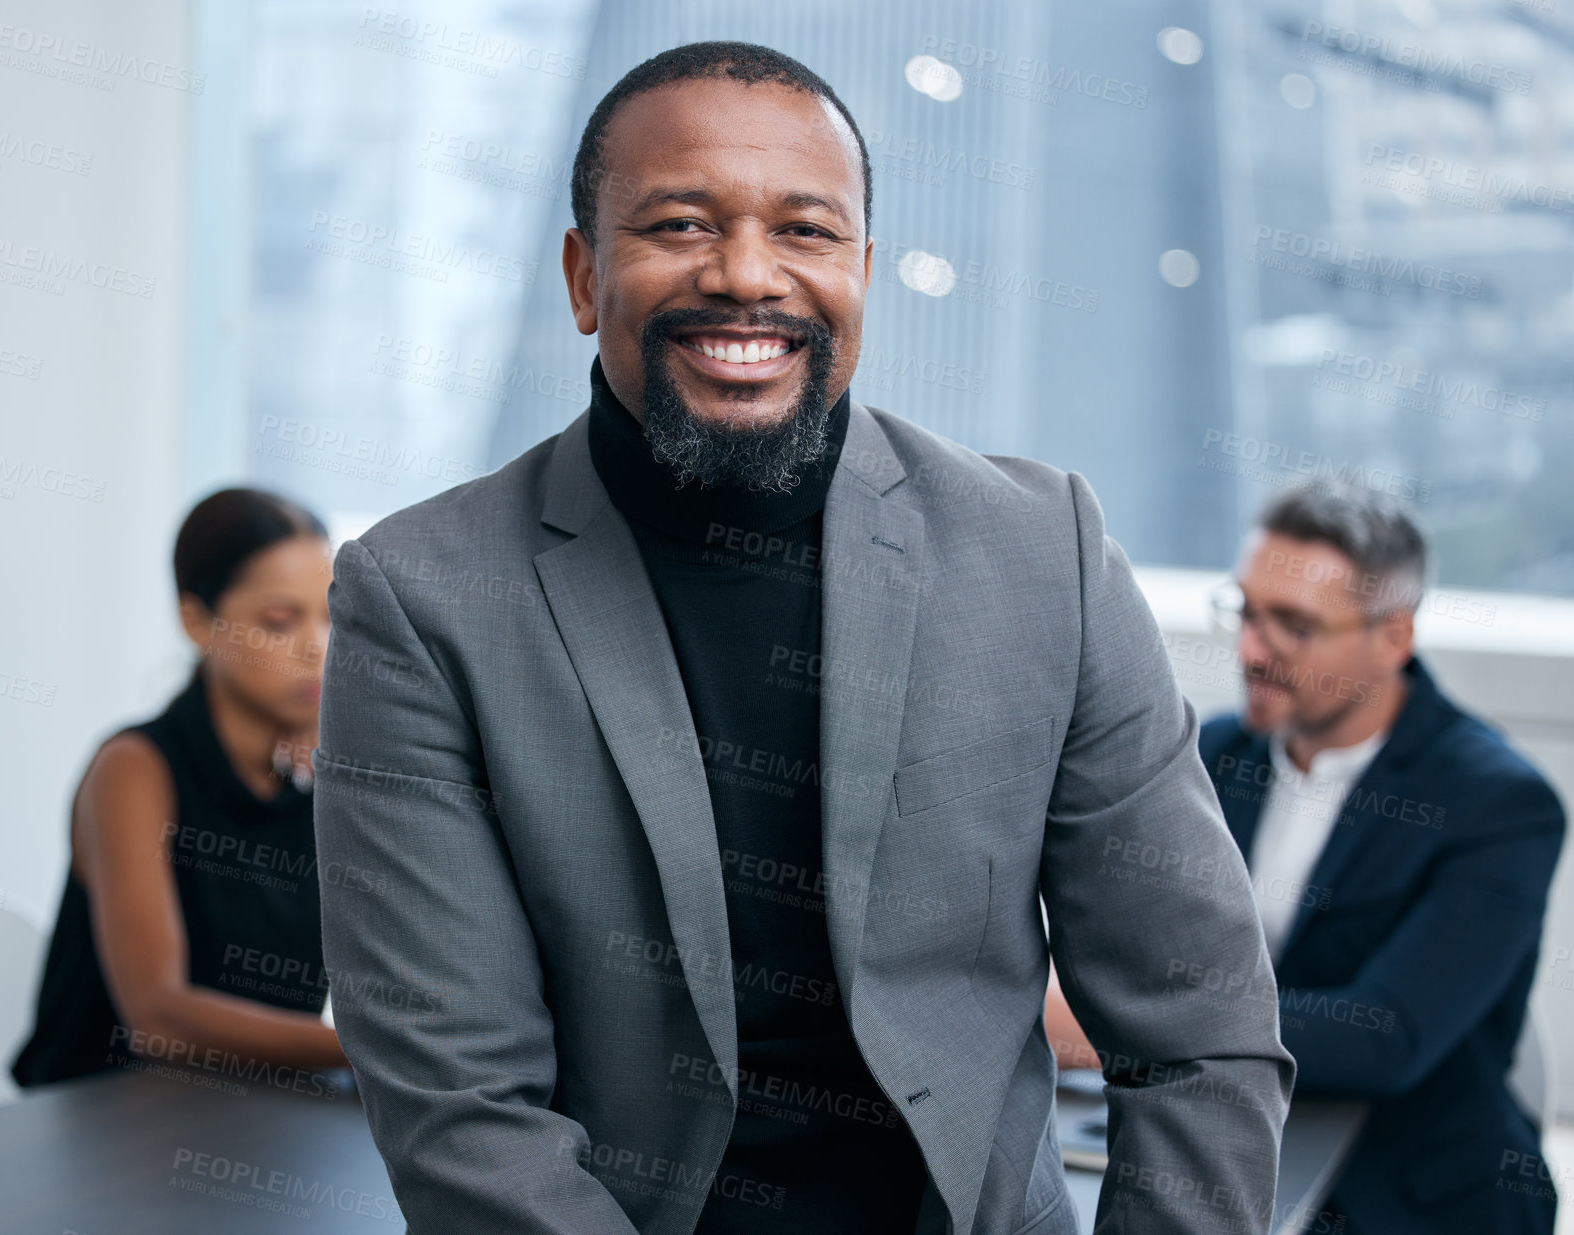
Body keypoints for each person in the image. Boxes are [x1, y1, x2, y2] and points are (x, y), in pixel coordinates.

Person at [313, 41, 1293, 1235]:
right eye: (678, 225)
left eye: (806, 231)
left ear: (863, 273)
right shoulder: (421, 596)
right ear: (581, 277)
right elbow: (459, 1103)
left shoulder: (1048, 553)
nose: (746, 276)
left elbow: (1200, 1032)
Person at [1194, 481, 1565, 1234]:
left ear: (1392, 638)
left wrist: (1140, 1018)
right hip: (1239, 1146)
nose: (1250, 650)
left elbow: (1381, 1036)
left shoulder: (1498, 804)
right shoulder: (1212, 752)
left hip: (1418, 1188)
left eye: (1292, 625)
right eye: (1245, 610)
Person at [11, 487, 347, 1088]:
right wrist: (367, 1050)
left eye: (329, 614)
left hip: (261, 1120)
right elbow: (158, 1017)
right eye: (279, 621)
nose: (315, 647)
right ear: (197, 622)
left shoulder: (322, 771)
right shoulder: (134, 768)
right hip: (106, 1134)